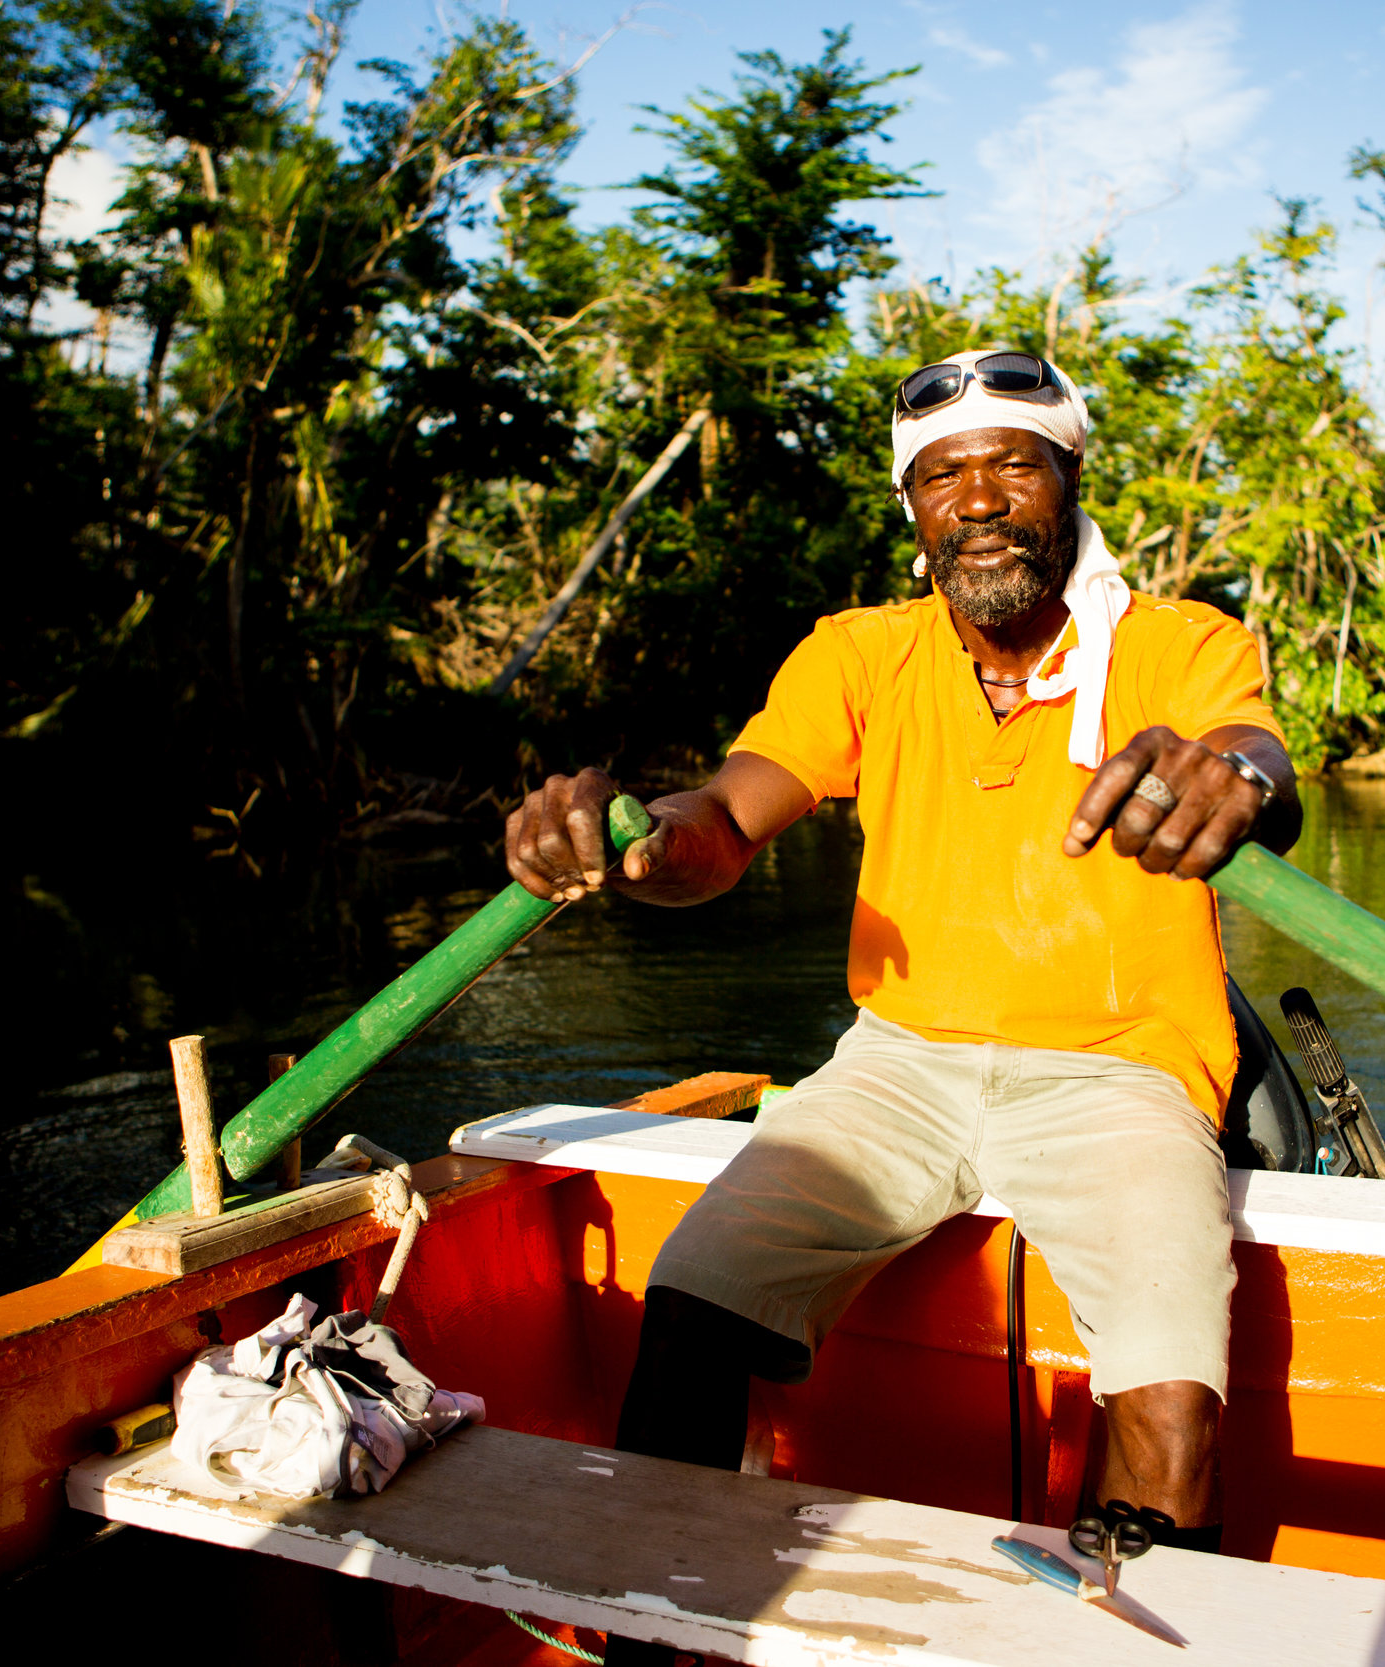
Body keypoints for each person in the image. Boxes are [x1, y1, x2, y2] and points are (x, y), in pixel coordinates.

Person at [504, 349, 1300, 1664]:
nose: (978, 498)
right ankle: (652, 1644)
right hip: (899, 1066)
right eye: (943, 477)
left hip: (1120, 1075)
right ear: (913, 509)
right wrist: (634, 845)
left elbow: (1255, 754)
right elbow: (723, 823)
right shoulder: (861, 655)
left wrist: (1232, 779)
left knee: (1169, 1412)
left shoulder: (1177, 644)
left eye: (1011, 466)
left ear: (1070, 482)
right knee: (691, 1298)